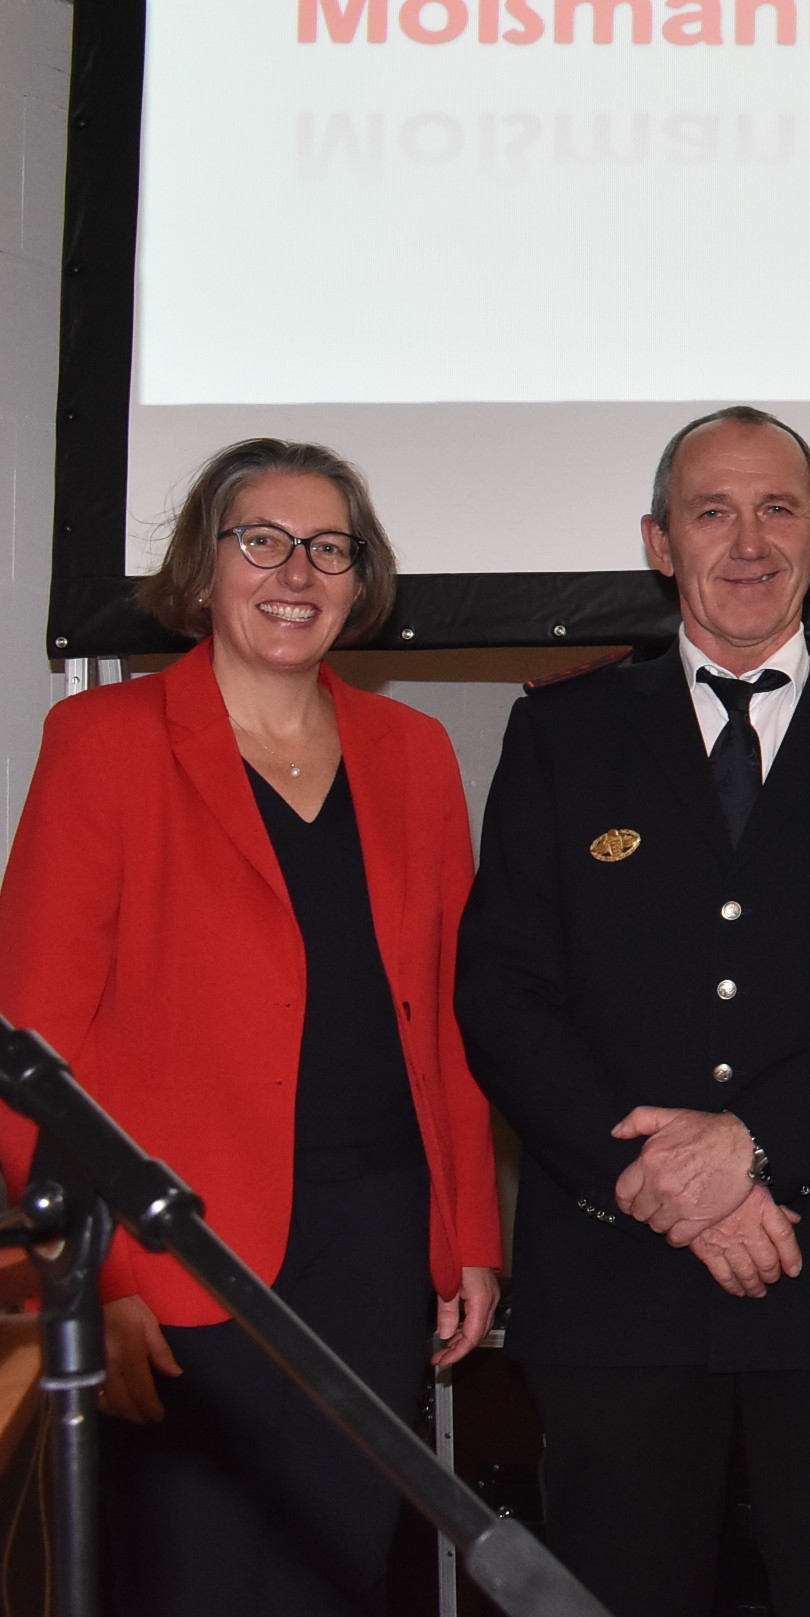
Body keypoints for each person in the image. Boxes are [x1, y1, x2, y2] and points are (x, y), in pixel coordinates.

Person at [455, 405, 810, 1617]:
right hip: (616, 1277)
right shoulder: (563, 733)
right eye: (712, 511)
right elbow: (504, 994)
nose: (748, 541)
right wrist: (664, 1181)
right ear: (658, 541)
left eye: (779, 509)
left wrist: (752, 1144)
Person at [0, 437, 501, 1617]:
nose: (296, 571)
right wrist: (103, 1272)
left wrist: (466, 1233)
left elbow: (450, 1019)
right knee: (195, 1584)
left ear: (360, 579)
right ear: (205, 564)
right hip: (176, 1245)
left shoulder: (415, 754)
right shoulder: (105, 741)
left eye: (330, 547)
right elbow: (30, 1049)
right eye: (262, 540)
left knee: (340, 1573)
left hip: (375, 1241)